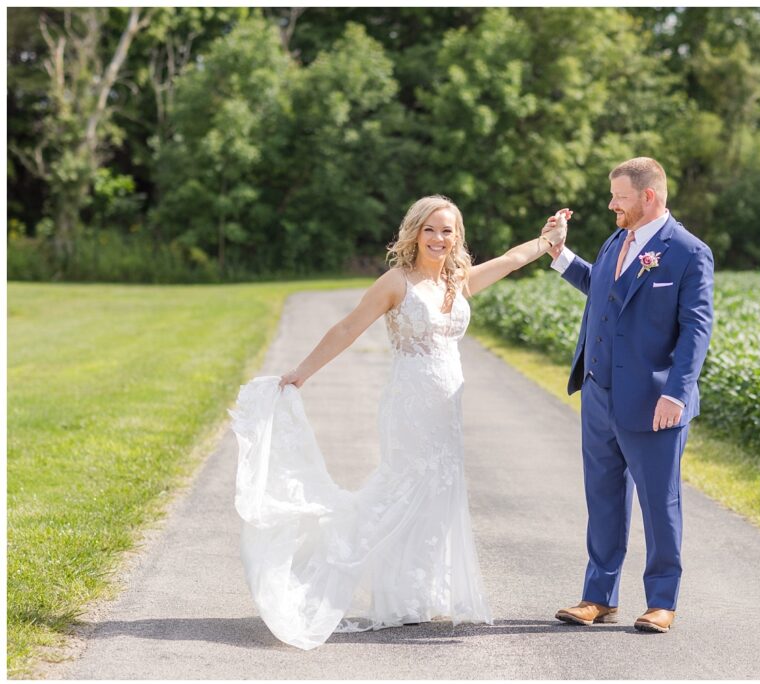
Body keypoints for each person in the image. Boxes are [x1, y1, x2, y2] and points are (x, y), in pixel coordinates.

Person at [229, 195, 569, 650]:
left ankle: (415, 595)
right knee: (398, 491)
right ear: (414, 232)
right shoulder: (397, 283)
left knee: (436, 496)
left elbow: (510, 260)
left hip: (446, 409)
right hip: (409, 407)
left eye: (447, 230)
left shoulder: (457, 281)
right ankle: (318, 567)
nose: (439, 238)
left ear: (457, 237)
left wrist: (549, 239)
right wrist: (300, 374)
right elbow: (348, 328)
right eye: (430, 229)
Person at [545, 157, 714, 633]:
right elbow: (602, 289)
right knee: (602, 499)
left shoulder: (688, 252)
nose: (610, 204)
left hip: (655, 402)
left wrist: (677, 394)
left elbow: (696, 330)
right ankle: (598, 597)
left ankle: (662, 601)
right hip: (598, 395)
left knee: (660, 505)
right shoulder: (616, 239)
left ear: (649, 197)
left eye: (618, 196)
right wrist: (560, 254)